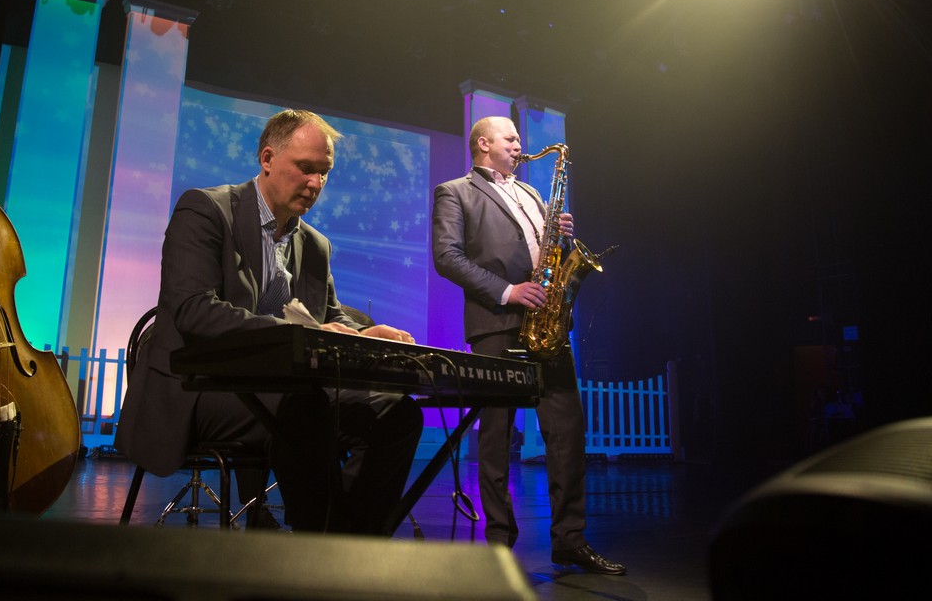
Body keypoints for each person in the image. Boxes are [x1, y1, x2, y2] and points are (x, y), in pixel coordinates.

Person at [115, 109, 423, 534]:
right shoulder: (205, 210)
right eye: (305, 168)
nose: (316, 183)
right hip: (198, 388)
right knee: (305, 407)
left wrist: (362, 334)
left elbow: (328, 316)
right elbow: (193, 309)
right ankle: (323, 546)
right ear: (267, 159)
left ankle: (347, 542)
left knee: (397, 414)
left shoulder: (315, 245)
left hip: (281, 390)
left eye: (324, 172)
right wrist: (298, 334)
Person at [432, 115, 625, 574]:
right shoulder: (454, 191)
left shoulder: (534, 194)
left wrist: (561, 235)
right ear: (483, 143)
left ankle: (570, 539)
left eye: (519, 138)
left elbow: (547, 254)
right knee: (496, 436)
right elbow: (447, 256)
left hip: (547, 322)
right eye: (511, 138)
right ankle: (499, 542)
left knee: (567, 432)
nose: (520, 145)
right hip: (497, 322)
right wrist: (508, 291)